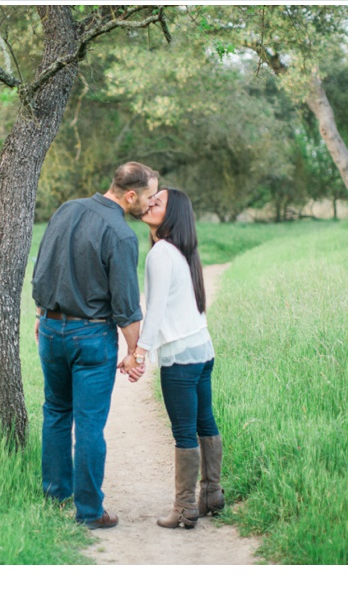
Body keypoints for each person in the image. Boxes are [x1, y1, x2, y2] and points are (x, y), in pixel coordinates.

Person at [32, 162, 159, 529]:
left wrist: (43, 314)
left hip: (51, 330)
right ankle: (89, 512)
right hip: (91, 338)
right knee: (89, 424)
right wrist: (134, 353)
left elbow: (43, 268)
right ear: (130, 195)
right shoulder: (120, 234)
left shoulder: (66, 209)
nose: (150, 205)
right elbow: (126, 305)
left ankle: (56, 495)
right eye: (149, 197)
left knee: (56, 411)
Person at [119, 188, 224, 529]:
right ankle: (211, 494)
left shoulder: (161, 253)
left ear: (172, 214)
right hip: (201, 350)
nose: (149, 203)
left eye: (158, 202)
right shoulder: (181, 252)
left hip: (180, 356)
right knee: (204, 422)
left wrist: (139, 353)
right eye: (151, 199)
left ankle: (184, 509)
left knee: (183, 431)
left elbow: (157, 310)